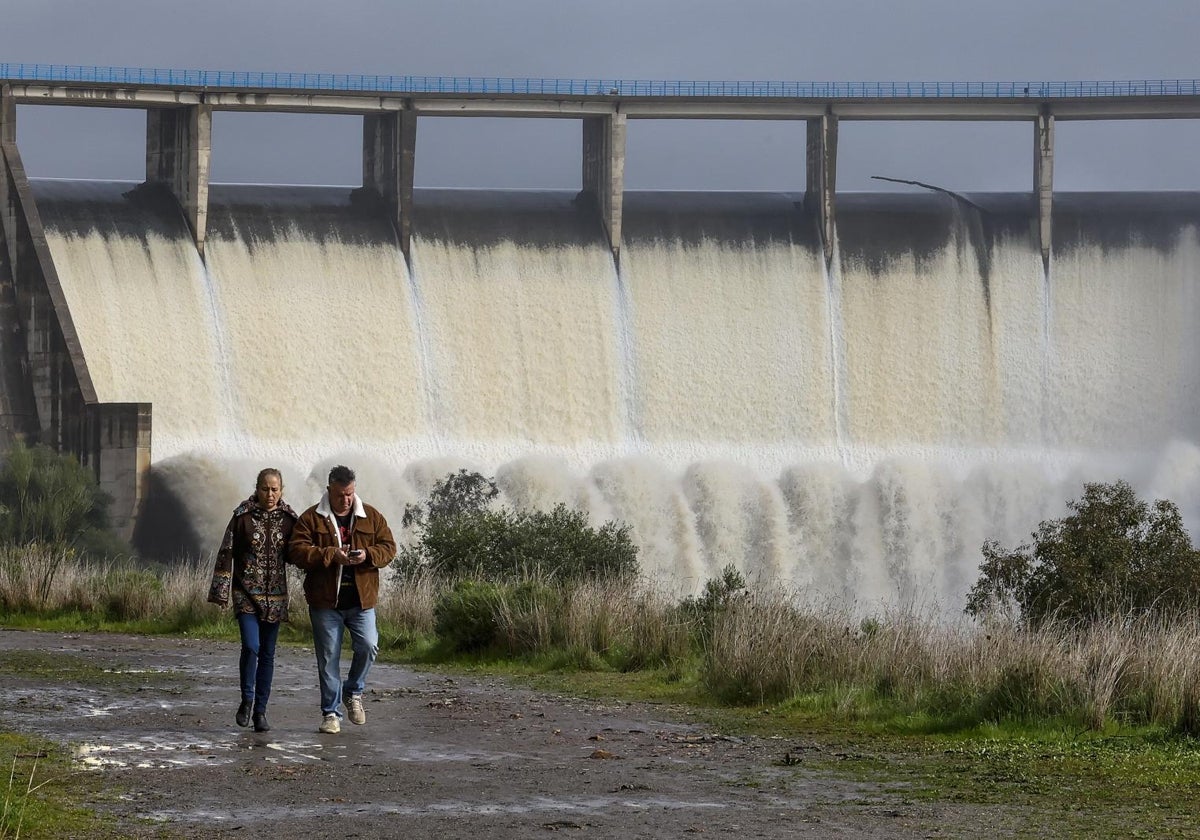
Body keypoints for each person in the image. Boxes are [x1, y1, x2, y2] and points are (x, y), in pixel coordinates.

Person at [288, 465, 396, 734]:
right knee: (328, 658)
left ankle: (353, 692)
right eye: (340, 495)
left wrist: (368, 554)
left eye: (349, 494)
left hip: (361, 600)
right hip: (326, 602)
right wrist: (329, 555)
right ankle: (331, 713)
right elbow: (296, 552)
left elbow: (389, 548)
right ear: (329, 490)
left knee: (369, 646)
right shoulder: (312, 518)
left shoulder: (371, 516)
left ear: (354, 489)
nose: (346, 500)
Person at [208, 467, 298, 733]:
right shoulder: (242, 517)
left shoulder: (289, 520)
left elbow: (299, 554)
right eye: (264, 489)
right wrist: (221, 591)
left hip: (276, 597)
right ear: (256, 488)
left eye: (274, 489)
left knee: (268, 655)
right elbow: (226, 552)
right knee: (251, 646)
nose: (269, 494)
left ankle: (260, 711)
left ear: (281, 491)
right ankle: (246, 700)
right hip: (245, 594)